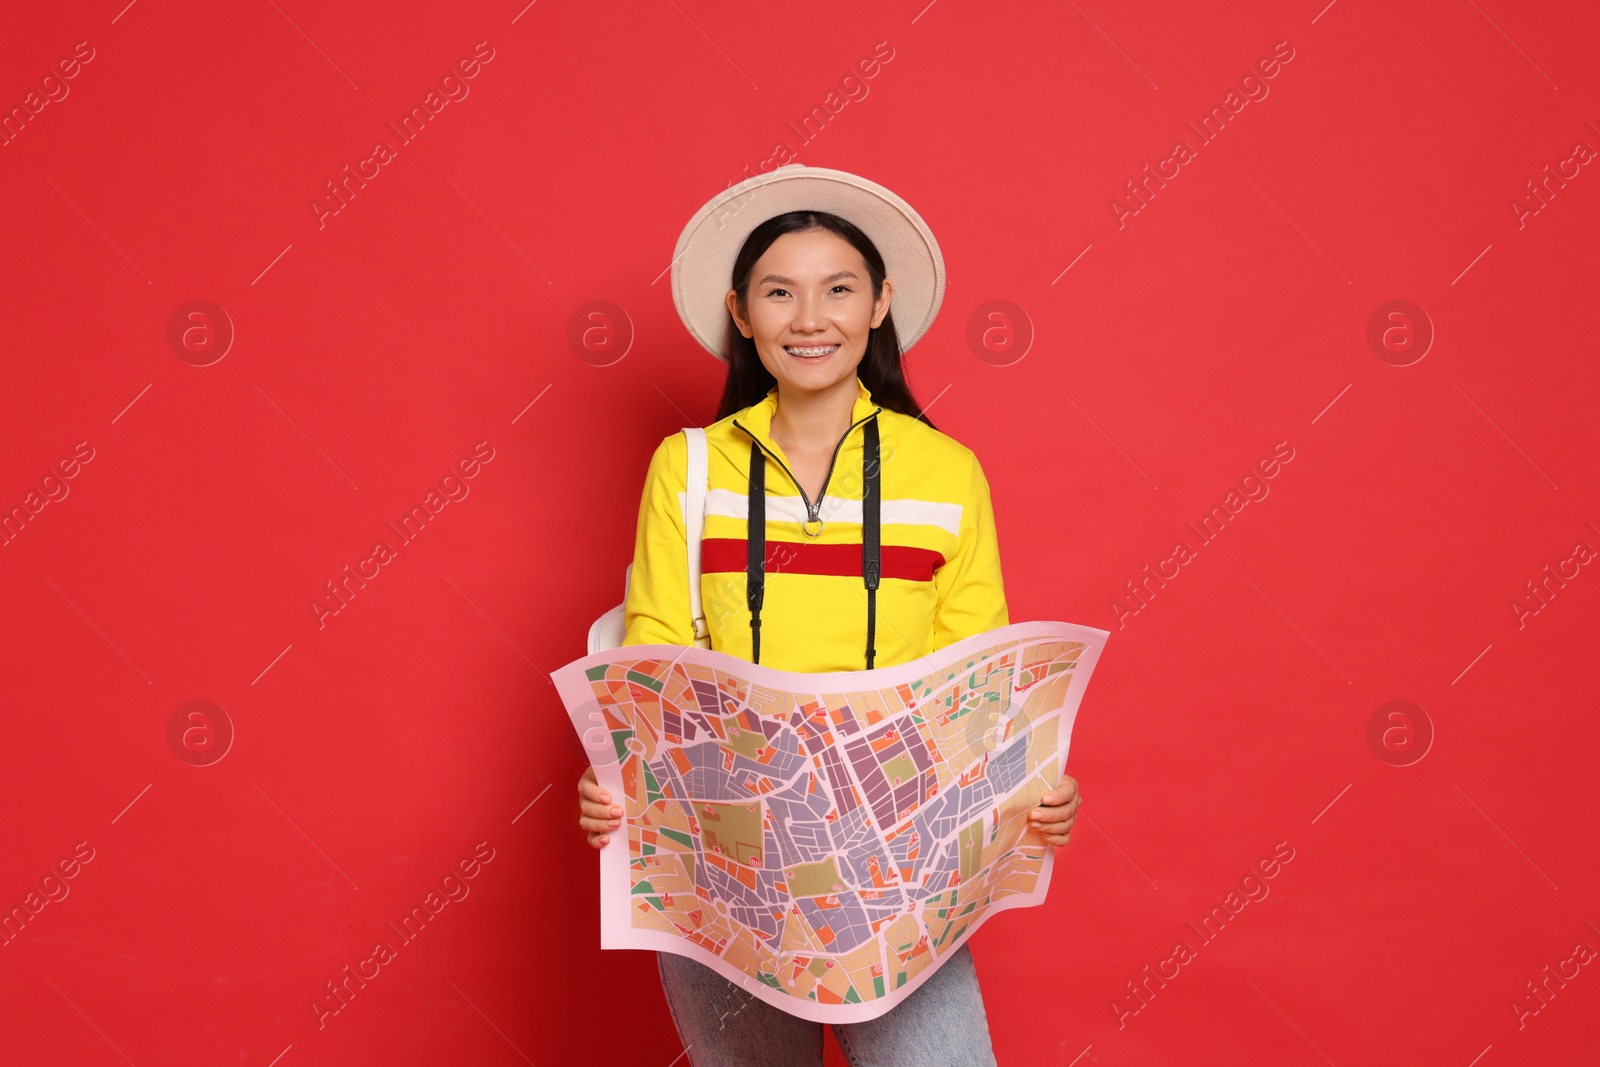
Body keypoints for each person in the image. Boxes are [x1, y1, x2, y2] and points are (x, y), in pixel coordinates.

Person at [575, 165, 1082, 1067]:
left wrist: (1034, 792)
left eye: (838, 288)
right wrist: (614, 777)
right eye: (780, 292)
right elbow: (653, 664)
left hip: (898, 879)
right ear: (742, 313)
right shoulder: (687, 469)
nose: (810, 319)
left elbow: (980, 685)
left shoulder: (946, 472)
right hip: (725, 865)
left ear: (881, 303)